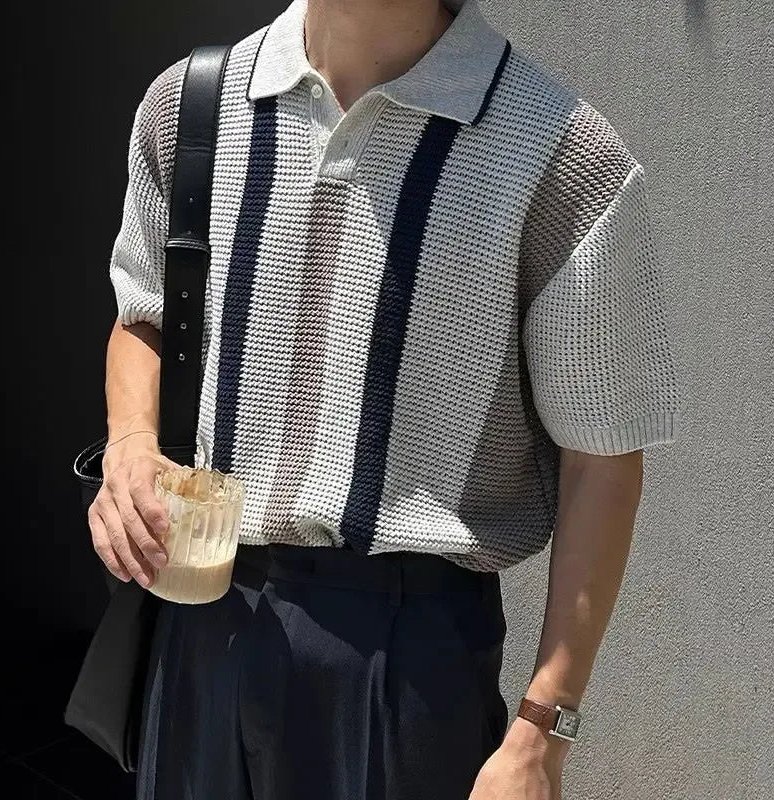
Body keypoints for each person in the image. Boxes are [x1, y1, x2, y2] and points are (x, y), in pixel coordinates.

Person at [87, 0, 681, 797]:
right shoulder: (190, 105)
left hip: (406, 659)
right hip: (199, 619)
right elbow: (145, 315)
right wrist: (130, 443)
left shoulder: (565, 158)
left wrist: (542, 732)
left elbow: (601, 461)